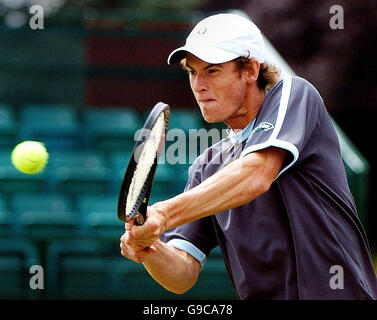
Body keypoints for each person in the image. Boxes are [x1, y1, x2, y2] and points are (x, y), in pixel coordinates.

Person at [120, 13, 377, 299]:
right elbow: (182, 275)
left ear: (251, 70)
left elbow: (256, 174)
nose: (198, 85)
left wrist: (164, 214)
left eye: (212, 70)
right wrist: (148, 249)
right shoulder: (207, 167)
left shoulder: (295, 95)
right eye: (192, 72)